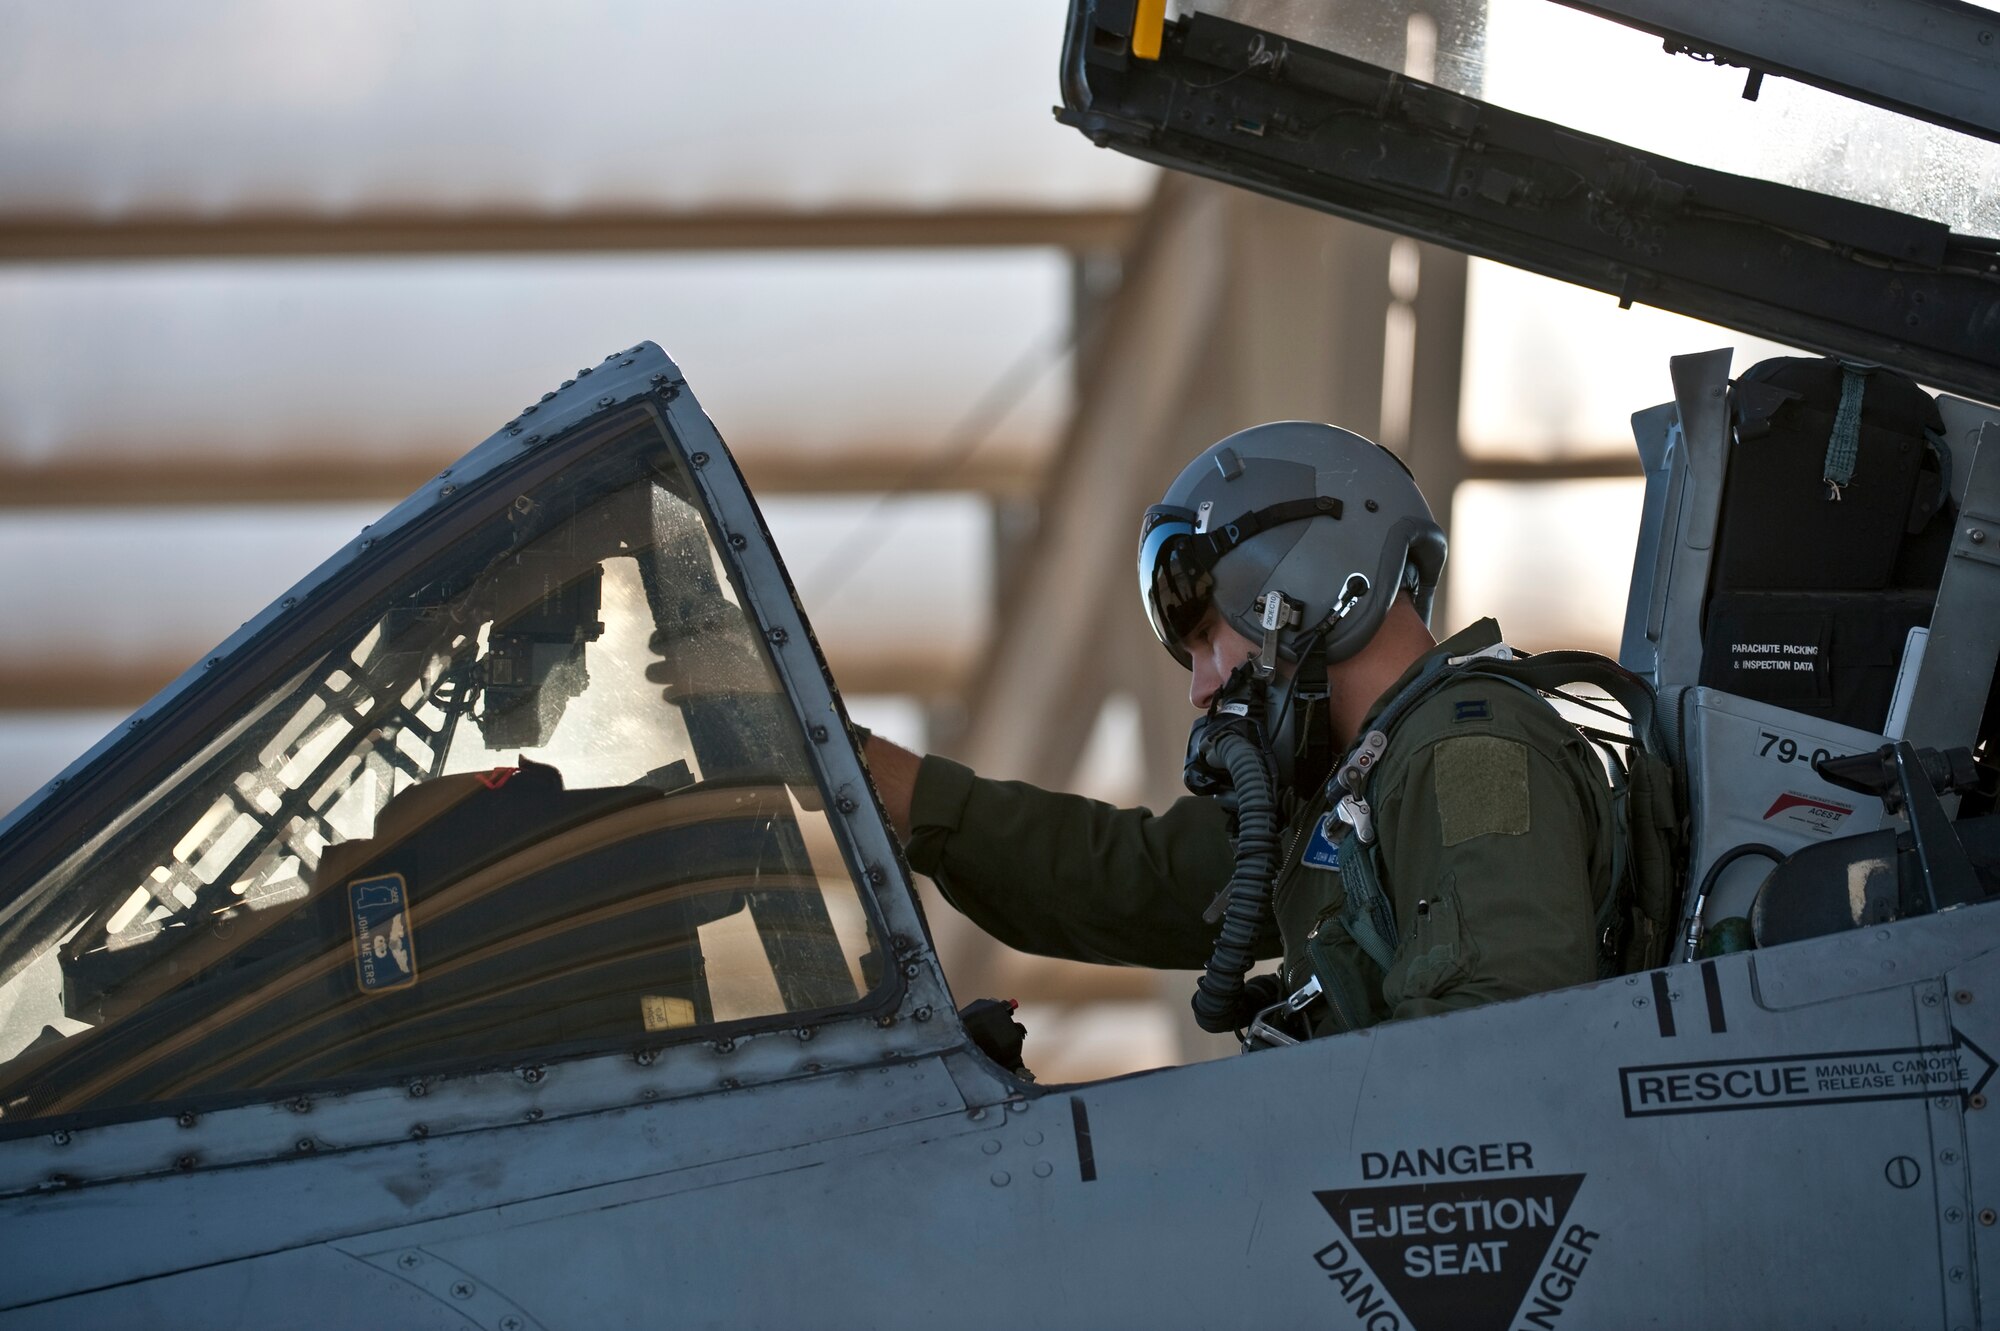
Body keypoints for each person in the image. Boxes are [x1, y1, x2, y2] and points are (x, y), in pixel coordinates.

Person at [863, 421, 1617, 1041]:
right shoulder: (1345, 795)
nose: (1201, 689)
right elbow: (1131, 879)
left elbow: (1500, 1056)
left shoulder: (1470, 754)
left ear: (1303, 586)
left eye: (1205, 638)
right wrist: (859, 770)